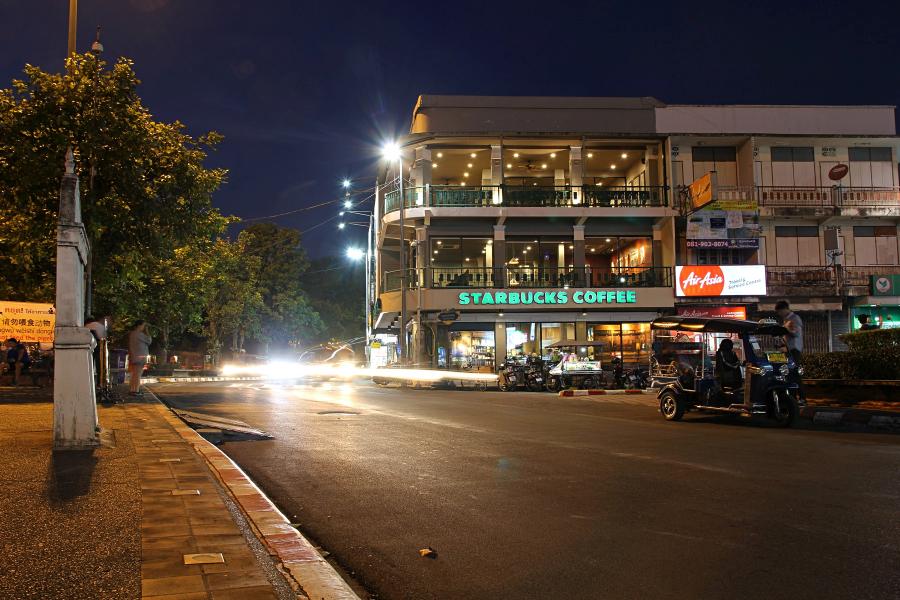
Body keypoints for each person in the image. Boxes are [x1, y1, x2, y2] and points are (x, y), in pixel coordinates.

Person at [775, 300, 803, 365]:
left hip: (794, 349)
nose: (779, 314)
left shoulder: (794, 318)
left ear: (784, 309)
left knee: (795, 369)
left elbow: (797, 333)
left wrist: (784, 330)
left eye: (779, 312)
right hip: (788, 349)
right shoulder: (786, 319)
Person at [127, 320, 152, 395]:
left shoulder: (132, 334)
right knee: (138, 375)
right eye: (143, 325)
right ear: (139, 325)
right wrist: (147, 331)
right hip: (140, 357)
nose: (144, 327)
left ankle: (132, 390)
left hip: (134, 356)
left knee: (134, 374)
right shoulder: (139, 334)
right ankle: (136, 390)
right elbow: (149, 341)